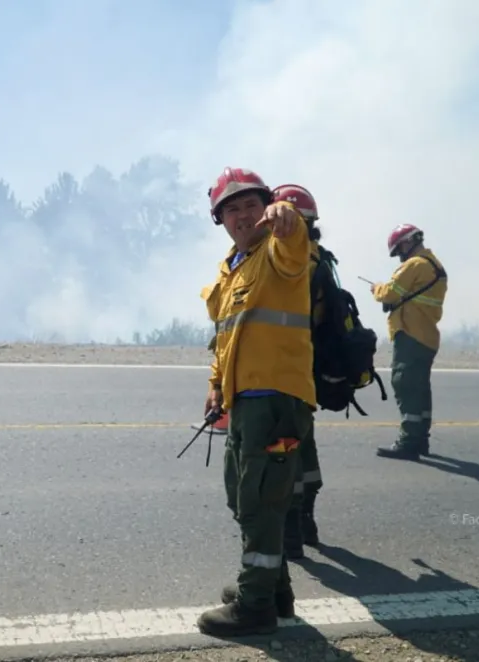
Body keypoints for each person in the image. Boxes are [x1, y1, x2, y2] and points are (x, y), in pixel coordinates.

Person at [196, 167, 315, 637]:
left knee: (262, 503)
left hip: (276, 399)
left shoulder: (278, 249)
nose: (243, 215)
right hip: (244, 400)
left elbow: (293, 242)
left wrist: (287, 217)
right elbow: (226, 337)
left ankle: (256, 607)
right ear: (221, 219)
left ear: (265, 206)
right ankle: (275, 590)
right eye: (232, 209)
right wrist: (215, 385)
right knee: (243, 496)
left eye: (251, 204)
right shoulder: (233, 267)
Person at [271, 184, 325, 560]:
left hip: (285, 372)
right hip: (307, 371)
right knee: (303, 445)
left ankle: (291, 531)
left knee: (283, 450)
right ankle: (306, 522)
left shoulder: (293, 260)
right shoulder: (322, 258)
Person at [371, 223, 447, 460]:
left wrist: (376, 289)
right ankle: (420, 439)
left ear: (408, 243)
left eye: (399, 250)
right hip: (426, 336)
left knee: (404, 384)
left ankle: (408, 442)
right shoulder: (434, 264)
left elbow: (390, 292)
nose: (399, 256)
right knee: (420, 389)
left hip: (411, 335)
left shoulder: (415, 265)